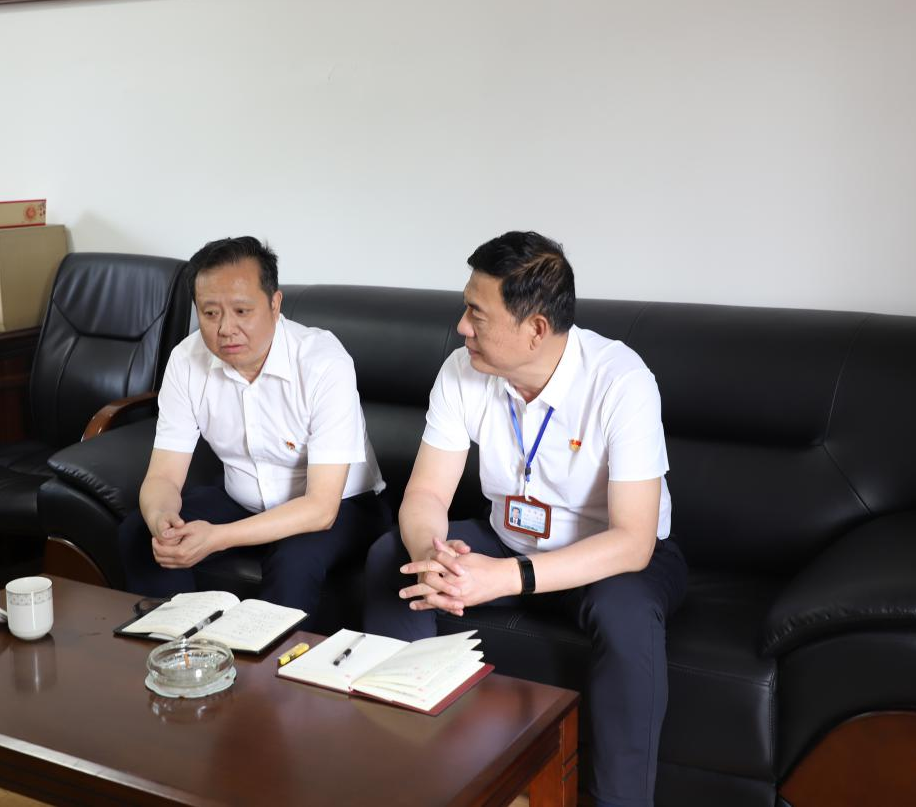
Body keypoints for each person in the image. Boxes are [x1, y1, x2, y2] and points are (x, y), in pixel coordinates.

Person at [364, 231, 687, 807]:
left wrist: (505, 577)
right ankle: (409, 775)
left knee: (627, 617)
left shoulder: (621, 380)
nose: (462, 326)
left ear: (536, 328)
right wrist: (432, 555)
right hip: (507, 540)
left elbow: (633, 541)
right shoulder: (462, 371)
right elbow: (426, 494)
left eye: (477, 314)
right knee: (394, 558)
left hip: (606, 557)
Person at [123, 236, 387, 620]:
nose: (225, 328)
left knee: (294, 560)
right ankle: (183, 644)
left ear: (275, 304)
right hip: (242, 501)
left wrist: (217, 538)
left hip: (341, 506)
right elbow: (163, 477)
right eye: (210, 313)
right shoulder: (185, 360)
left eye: (242, 311)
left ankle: (269, 662)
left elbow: (321, 509)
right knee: (140, 533)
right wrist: (162, 521)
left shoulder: (323, 362)